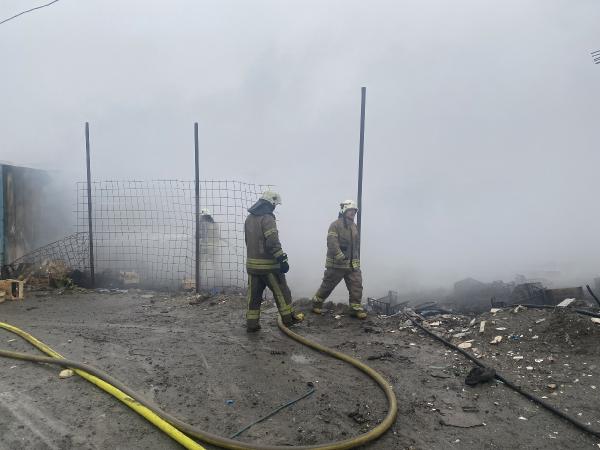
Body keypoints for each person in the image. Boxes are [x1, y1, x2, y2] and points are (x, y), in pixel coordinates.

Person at [244, 190, 304, 331]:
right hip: (269, 266)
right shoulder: (268, 218)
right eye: (275, 205)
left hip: (252, 266)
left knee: (254, 297)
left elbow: (248, 241)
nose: (275, 207)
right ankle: (288, 320)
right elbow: (272, 242)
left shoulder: (249, 218)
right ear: (271, 203)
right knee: (282, 292)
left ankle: (252, 325)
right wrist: (281, 258)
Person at [311, 200, 367, 319]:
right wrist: (339, 255)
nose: (353, 213)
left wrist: (356, 261)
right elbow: (332, 242)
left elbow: (356, 246)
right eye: (351, 210)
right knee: (328, 285)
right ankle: (316, 304)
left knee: (356, 285)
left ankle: (355, 309)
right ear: (344, 210)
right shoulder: (335, 225)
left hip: (352, 265)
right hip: (337, 264)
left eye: (355, 211)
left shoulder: (354, 226)